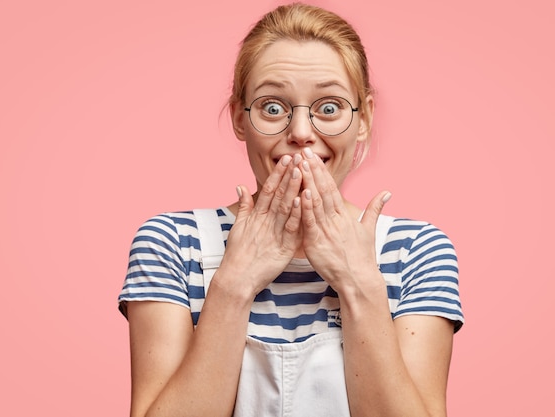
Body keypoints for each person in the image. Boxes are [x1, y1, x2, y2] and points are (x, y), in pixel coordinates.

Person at [118, 3, 464, 416]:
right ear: (239, 119)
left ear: (365, 118)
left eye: (330, 107)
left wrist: (358, 285)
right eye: (273, 108)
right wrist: (233, 285)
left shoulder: (417, 250)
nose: (301, 134)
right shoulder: (172, 243)